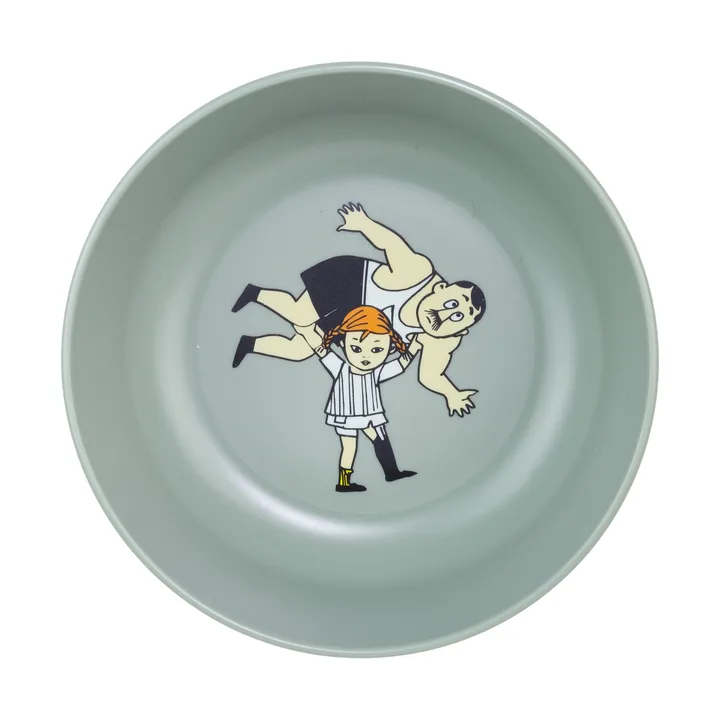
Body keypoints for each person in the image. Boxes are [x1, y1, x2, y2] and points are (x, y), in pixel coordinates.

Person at [232, 203, 486, 417]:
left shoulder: (442, 341)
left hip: (358, 321)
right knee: (299, 315)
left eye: (458, 317)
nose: (445, 315)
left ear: (462, 331)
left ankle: (249, 344)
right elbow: (391, 244)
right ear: (440, 289)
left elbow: (430, 375)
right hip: (350, 282)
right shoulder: (418, 271)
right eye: (451, 304)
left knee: (299, 351)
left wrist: (451, 394)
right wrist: (364, 223)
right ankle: (254, 293)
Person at [296, 306, 421, 493]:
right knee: (352, 446)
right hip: (347, 414)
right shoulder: (340, 367)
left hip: (366, 414)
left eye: (377, 349)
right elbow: (320, 348)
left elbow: (400, 365)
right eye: (356, 348)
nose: (365, 356)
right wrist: (306, 330)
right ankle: (346, 482)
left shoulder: (376, 371)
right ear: (343, 343)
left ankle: (390, 472)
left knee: (379, 438)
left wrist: (416, 345)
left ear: (390, 348)